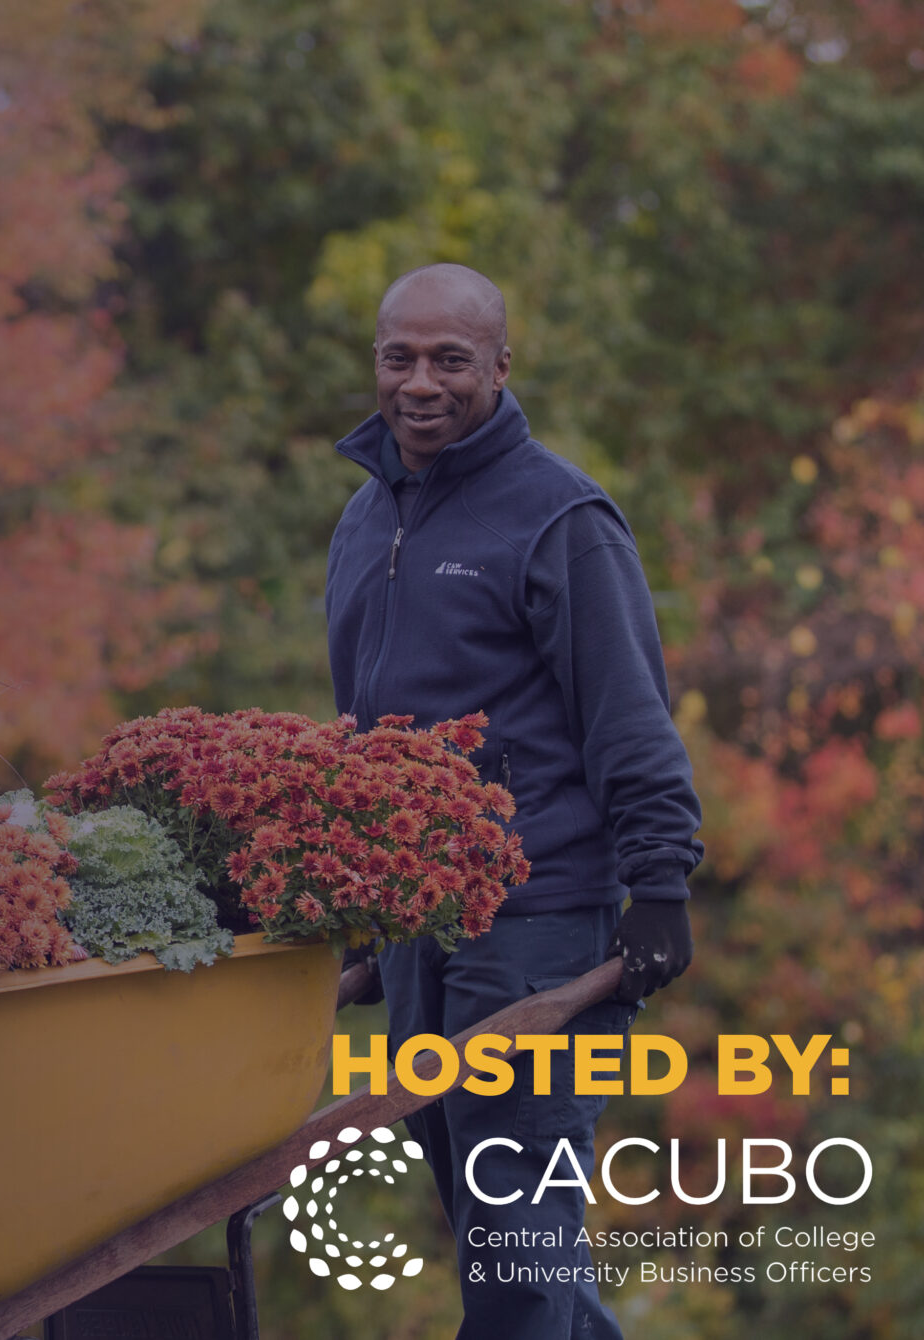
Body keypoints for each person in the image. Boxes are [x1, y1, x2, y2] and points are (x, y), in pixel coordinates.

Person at [324, 263, 703, 1338]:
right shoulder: (363, 518)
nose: (421, 382)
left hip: (536, 921)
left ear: (500, 363)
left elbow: (628, 713)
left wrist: (661, 885)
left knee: (515, 1247)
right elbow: (363, 724)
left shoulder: (559, 517)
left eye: (450, 358)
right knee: (493, 1227)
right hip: (416, 924)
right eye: (400, 356)